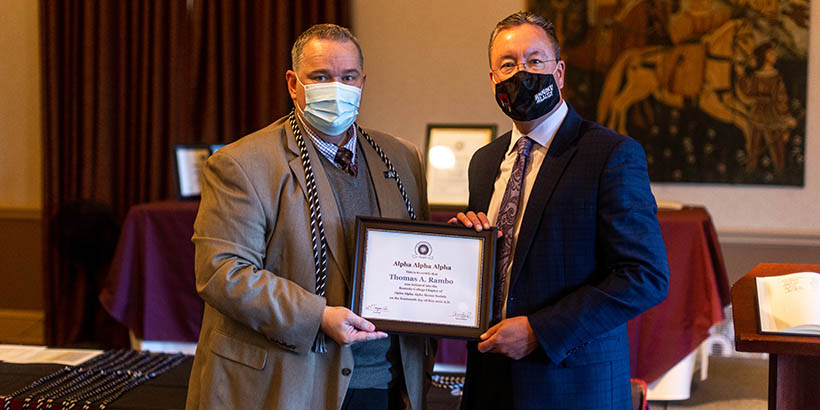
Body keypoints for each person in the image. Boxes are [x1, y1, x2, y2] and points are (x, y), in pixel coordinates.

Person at [185, 24, 432, 410]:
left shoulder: (402, 158)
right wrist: (317, 316)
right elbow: (222, 272)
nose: (337, 87)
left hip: (386, 380)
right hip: (290, 384)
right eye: (320, 77)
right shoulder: (242, 163)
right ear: (293, 83)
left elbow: (418, 256)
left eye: (347, 77)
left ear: (362, 82)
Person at [452, 12, 670, 409]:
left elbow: (646, 276)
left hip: (572, 383)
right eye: (508, 64)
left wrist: (540, 330)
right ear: (493, 79)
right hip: (489, 380)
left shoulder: (610, 154)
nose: (522, 72)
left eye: (535, 61)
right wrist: (463, 246)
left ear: (560, 72)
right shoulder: (483, 163)